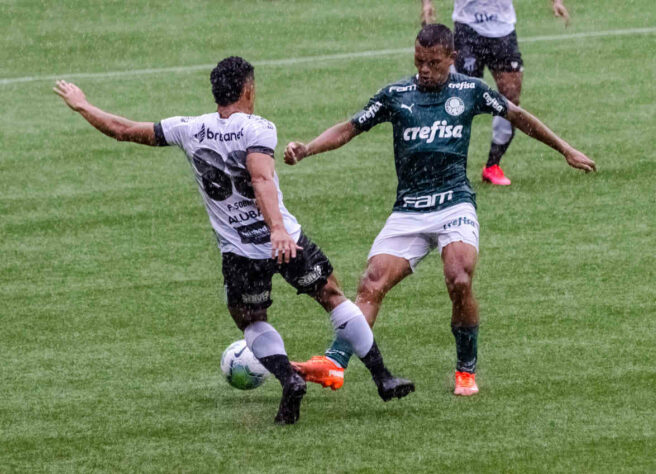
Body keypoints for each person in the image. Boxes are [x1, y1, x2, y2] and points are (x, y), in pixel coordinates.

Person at [53, 56, 414, 425]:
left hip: (240, 253)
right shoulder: (258, 128)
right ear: (247, 89)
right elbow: (260, 179)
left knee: (251, 319)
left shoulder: (188, 128)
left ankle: (289, 378)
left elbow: (123, 129)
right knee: (332, 297)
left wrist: (83, 105)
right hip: (286, 240)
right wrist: (276, 229)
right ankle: (382, 376)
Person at [284, 25, 594, 396]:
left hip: (454, 204)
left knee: (459, 278)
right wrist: (307, 149)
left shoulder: (470, 90)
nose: (425, 70)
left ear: (452, 58)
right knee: (371, 283)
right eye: (419, 61)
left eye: (433, 63)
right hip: (409, 210)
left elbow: (518, 116)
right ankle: (335, 364)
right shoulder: (396, 95)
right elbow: (349, 128)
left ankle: (465, 370)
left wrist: (565, 149)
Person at [421, 0, 571, 185]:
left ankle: (492, 166)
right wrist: (427, 4)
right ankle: (440, 168)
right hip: (468, 29)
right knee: (458, 99)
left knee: (511, 98)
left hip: (502, 31)